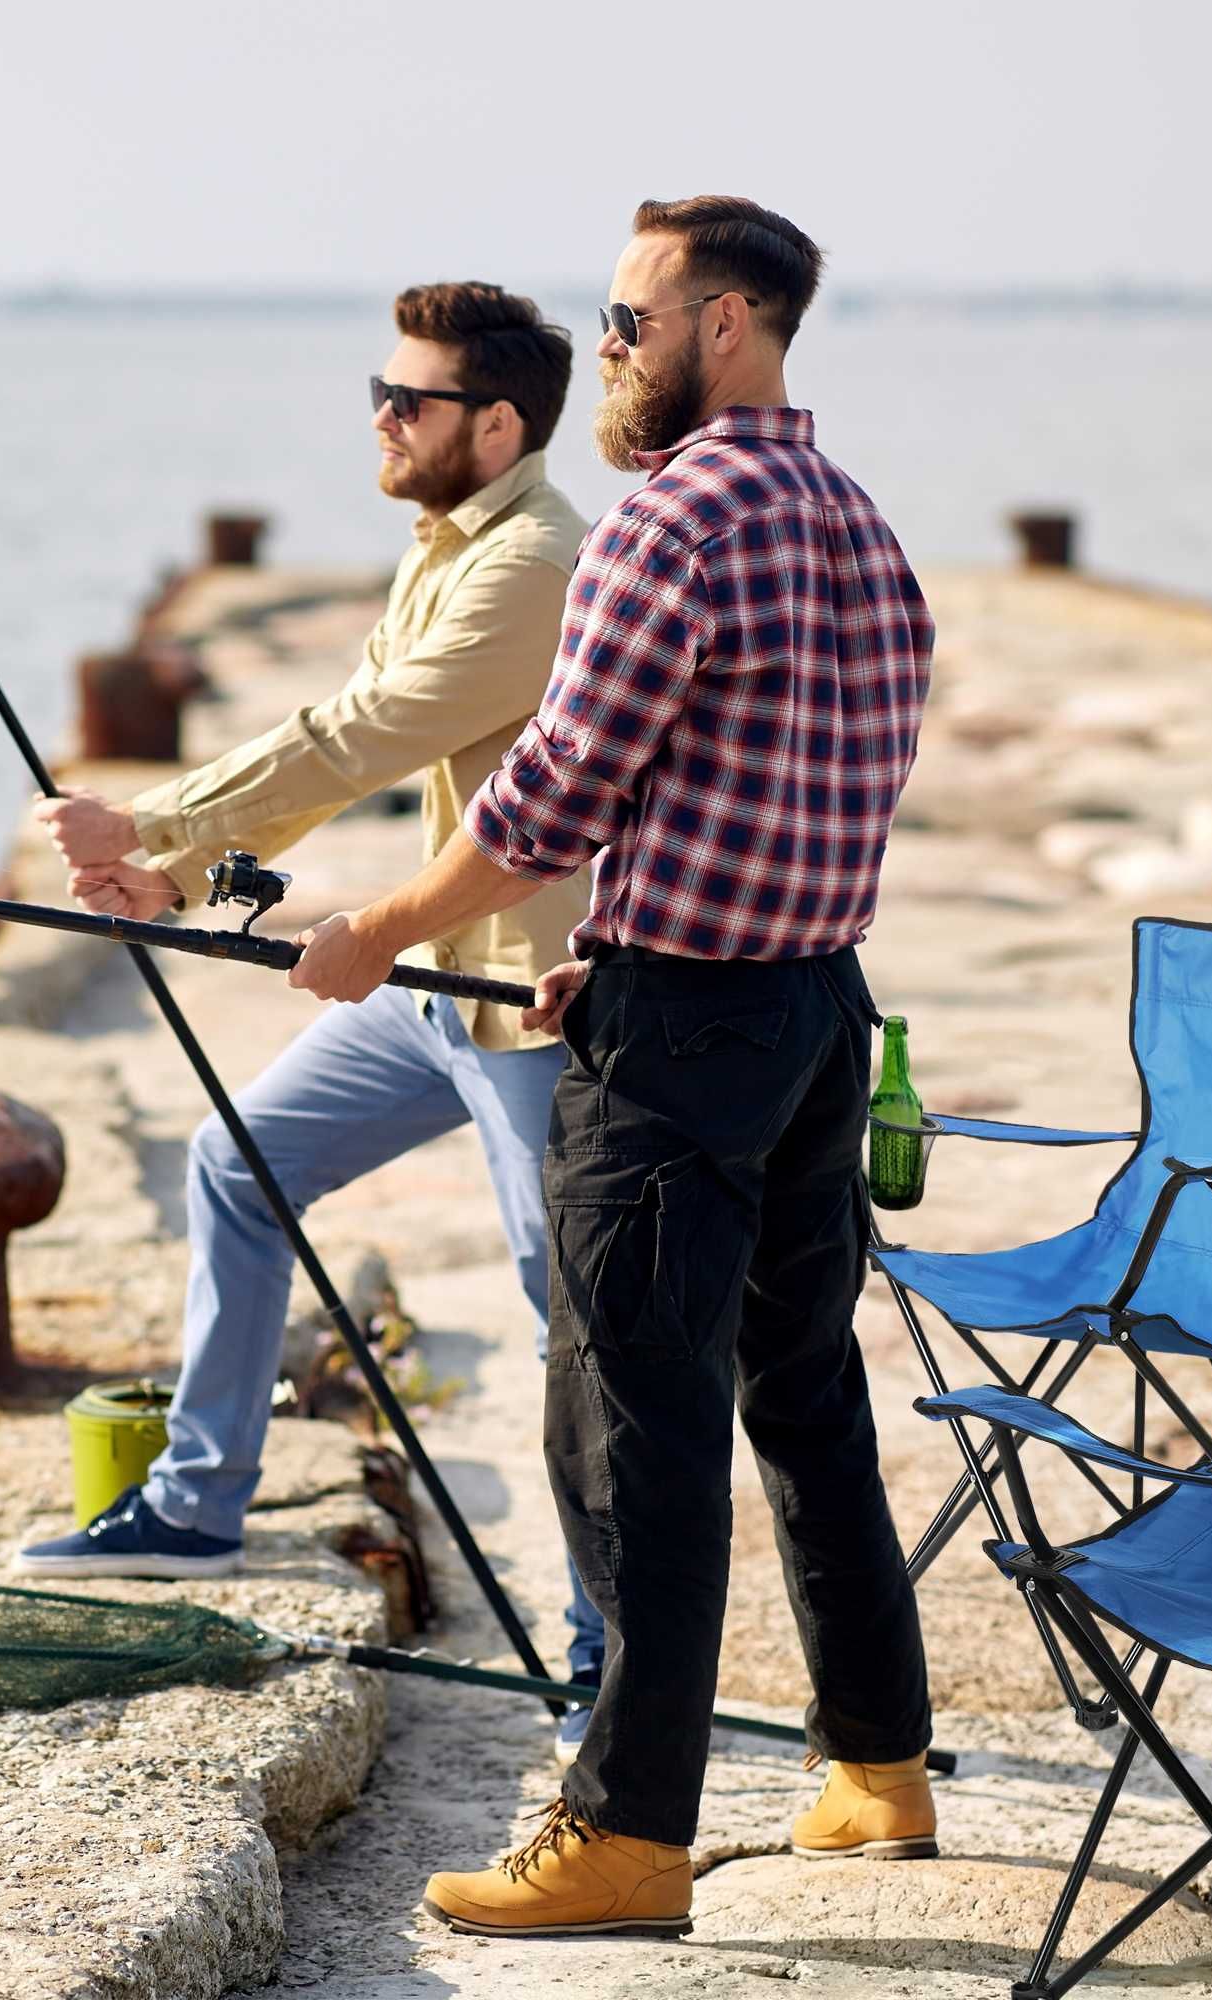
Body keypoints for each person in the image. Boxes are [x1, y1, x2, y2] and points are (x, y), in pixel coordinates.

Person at [288, 196, 937, 1940]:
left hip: (688, 1046)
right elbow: (806, 791)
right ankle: (880, 1766)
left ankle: (628, 1832)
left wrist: (378, 928)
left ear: (727, 324)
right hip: (813, 1012)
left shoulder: (669, 521)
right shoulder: (859, 521)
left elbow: (553, 796)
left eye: (636, 321)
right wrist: (632, 940)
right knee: (804, 1395)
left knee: (629, 1420)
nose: (617, 353)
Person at [14, 281, 610, 1764]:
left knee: (574, 1338)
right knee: (240, 1161)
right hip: (439, 974)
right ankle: (197, 1504)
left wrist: (147, 814)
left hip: (528, 1005)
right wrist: (167, 867)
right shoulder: (449, 546)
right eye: (379, 391)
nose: (379, 420)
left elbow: (365, 735)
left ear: (497, 422)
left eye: (406, 401)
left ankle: (617, 1660)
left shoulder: (535, 560)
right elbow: (356, 718)